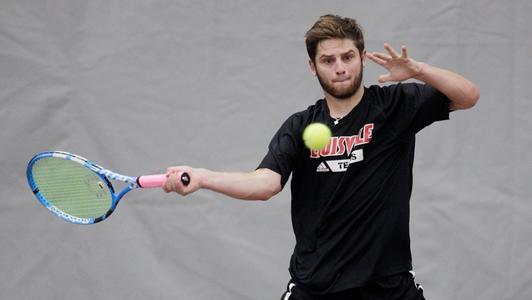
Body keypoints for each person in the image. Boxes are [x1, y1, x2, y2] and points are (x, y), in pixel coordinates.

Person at [162, 14, 479, 300]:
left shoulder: (395, 107)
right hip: (316, 286)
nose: (340, 67)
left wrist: (419, 71)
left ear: (363, 58)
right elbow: (265, 183)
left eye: (347, 57)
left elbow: (468, 96)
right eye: (328, 60)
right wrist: (202, 177)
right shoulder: (300, 126)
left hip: (387, 285)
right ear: (313, 66)